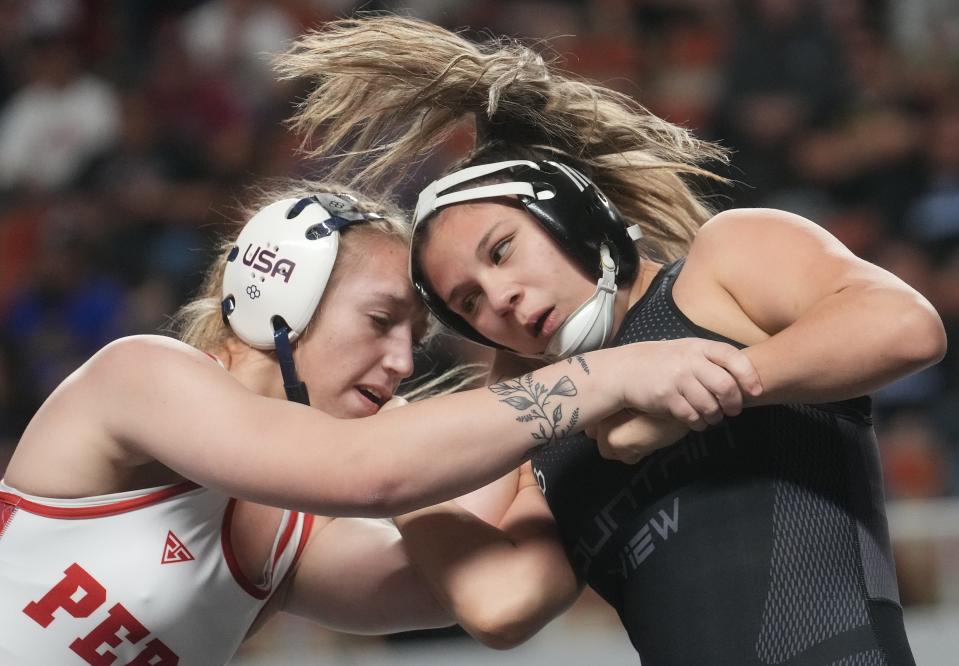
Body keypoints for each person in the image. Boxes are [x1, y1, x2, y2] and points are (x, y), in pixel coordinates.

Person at [276, 16, 948, 665]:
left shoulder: (724, 264)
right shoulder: (536, 439)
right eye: (468, 301)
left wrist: (697, 391)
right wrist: (392, 444)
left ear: (567, 212)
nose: (499, 298)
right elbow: (500, 604)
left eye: (502, 249)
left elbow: (902, 327)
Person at [0, 181, 761, 665]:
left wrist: (543, 347)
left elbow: (479, 593)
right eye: (379, 320)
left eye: (417, 337)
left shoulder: (293, 536)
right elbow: (371, 470)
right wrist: (608, 375)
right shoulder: (141, 376)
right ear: (279, 302)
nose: (401, 362)